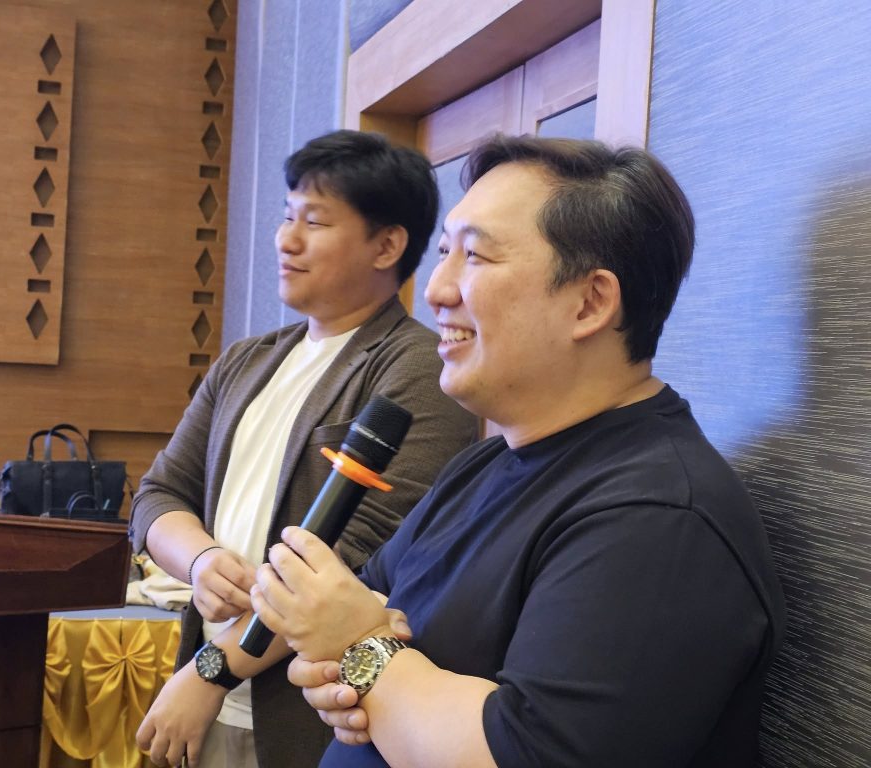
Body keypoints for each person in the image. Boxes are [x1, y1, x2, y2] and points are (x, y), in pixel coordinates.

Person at [250, 136, 788, 767]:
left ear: (589, 302)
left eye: (475, 256)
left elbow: (522, 751)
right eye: (444, 252)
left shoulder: (659, 516)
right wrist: (358, 668)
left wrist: (365, 656)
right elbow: (361, 606)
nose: (436, 290)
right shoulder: (483, 464)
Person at [130, 129, 478, 768]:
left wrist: (211, 671)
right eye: (287, 216)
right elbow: (159, 494)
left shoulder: (418, 369)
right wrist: (201, 561)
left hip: (305, 713)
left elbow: (355, 559)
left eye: (314, 222)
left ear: (387, 245)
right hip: (209, 697)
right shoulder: (245, 361)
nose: (286, 240)